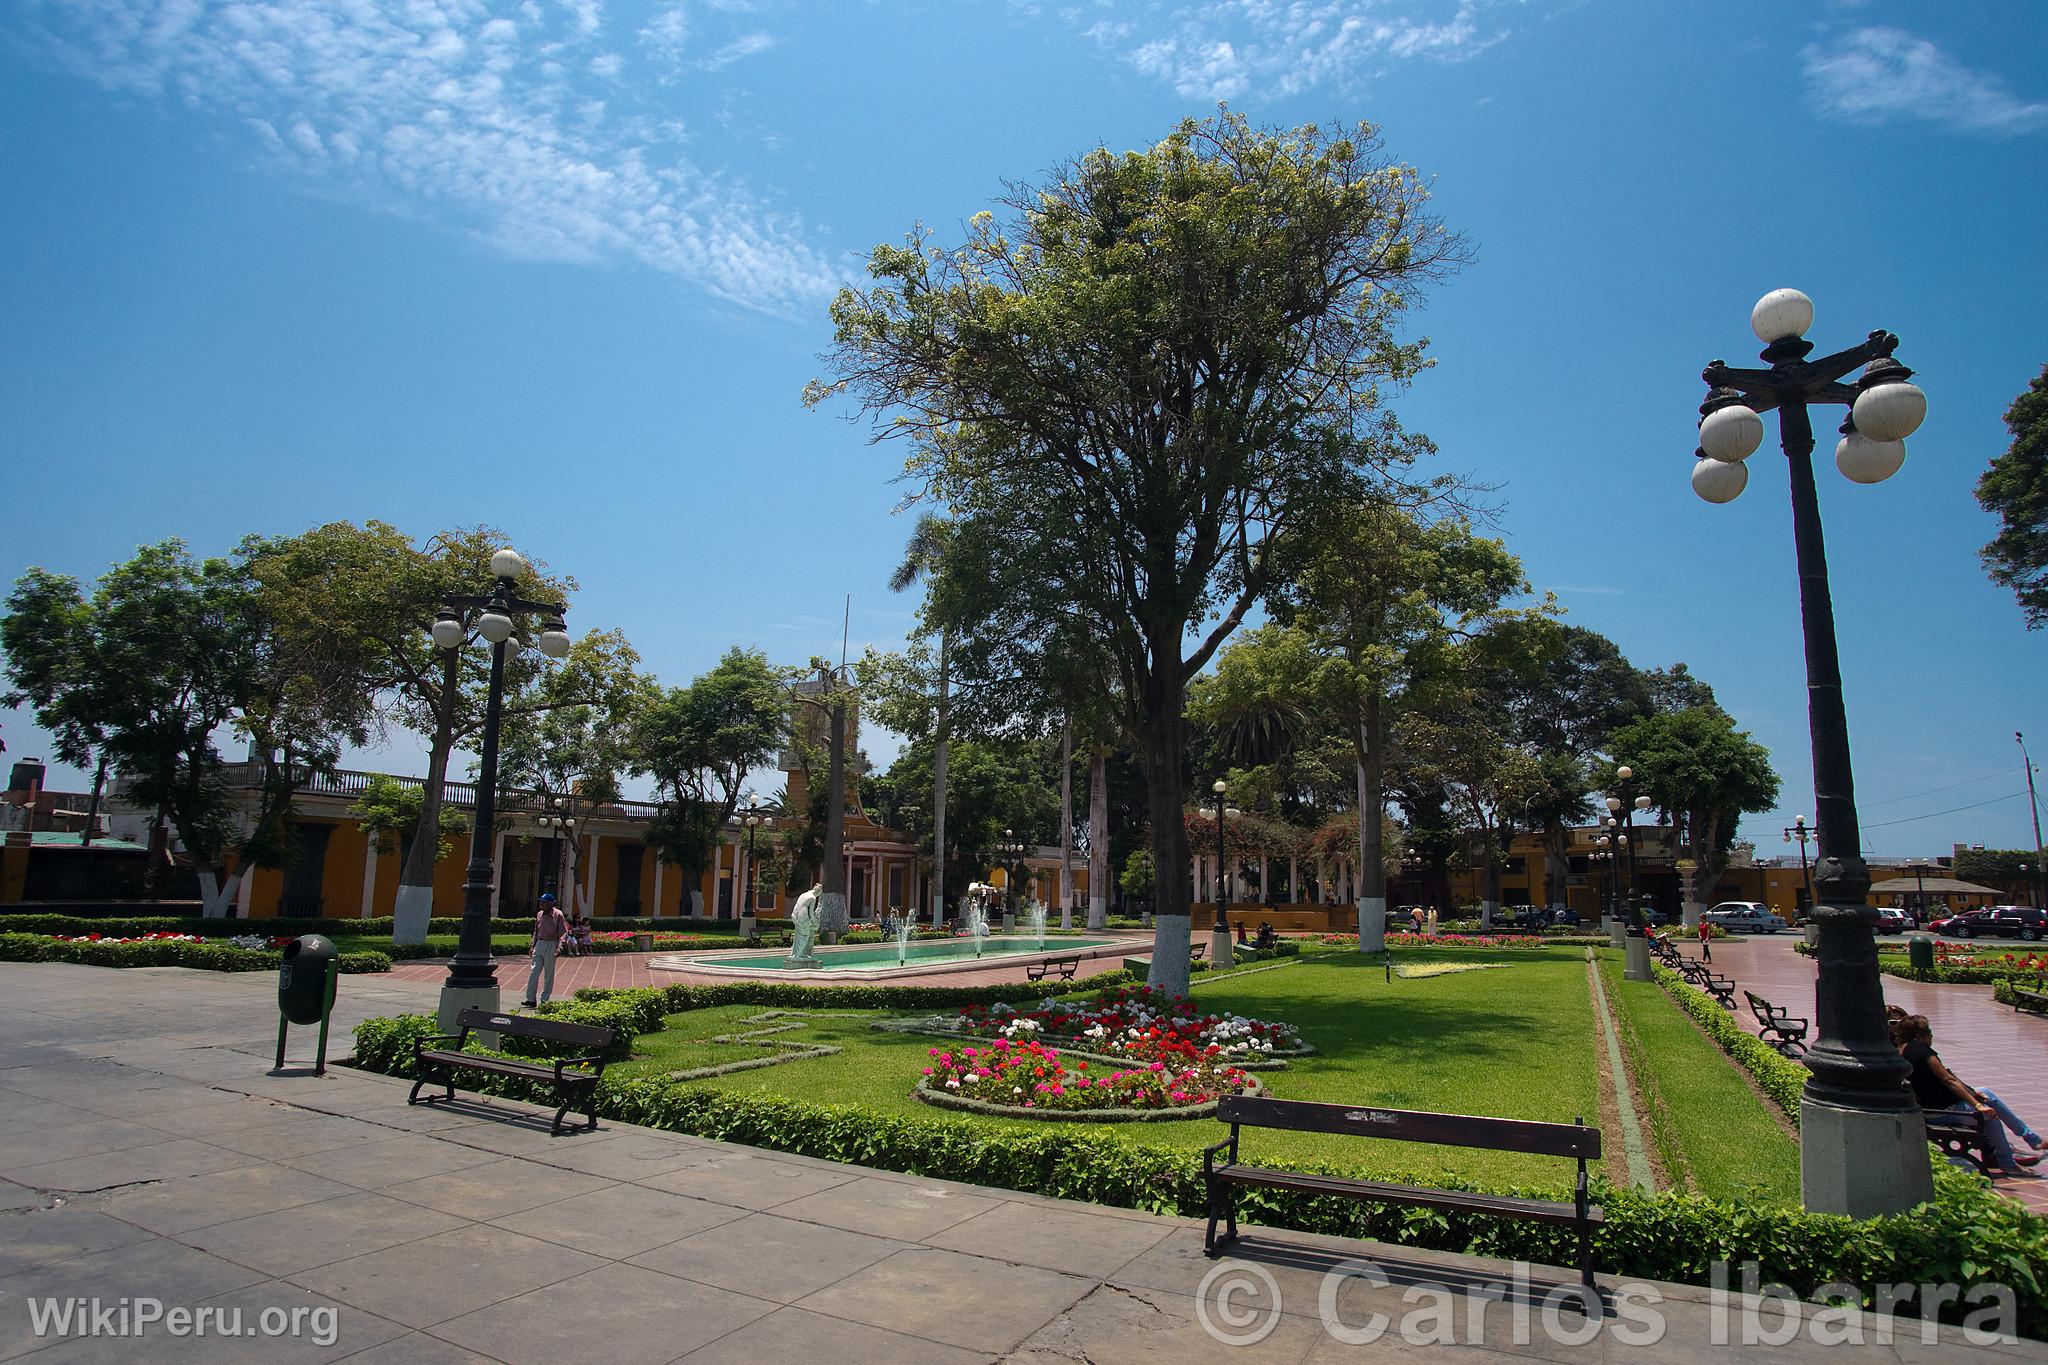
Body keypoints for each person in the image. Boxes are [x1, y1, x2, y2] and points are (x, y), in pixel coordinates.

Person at [1898, 1015, 2043, 1177]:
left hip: (1930, 1109)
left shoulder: (1903, 1049)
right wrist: (1977, 1105)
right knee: (1989, 1115)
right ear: (1918, 1035)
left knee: (1986, 1094)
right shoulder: (1920, 1049)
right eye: (1928, 1032)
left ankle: (2029, 1142)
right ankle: (2015, 1156)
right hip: (1941, 1112)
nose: (1931, 1036)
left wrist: (1973, 1094)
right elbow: (1948, 1079)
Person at [524, 893, 568, 1007]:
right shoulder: (539, 914)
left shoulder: (558, 915)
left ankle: (545, 999)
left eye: (543, 902)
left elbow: (563, 932)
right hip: (540, 943)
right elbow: (536, 931)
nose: (541, 904)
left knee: (548, 973)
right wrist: (532, 945)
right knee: (534, 971)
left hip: (551, 944)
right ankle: (531, 999)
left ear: (550, 903)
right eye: (540, 902)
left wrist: (559, 947)